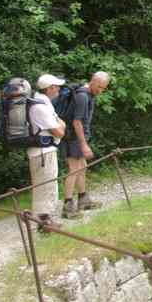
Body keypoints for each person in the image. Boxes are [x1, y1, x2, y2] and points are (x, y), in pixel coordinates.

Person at [62, 71, 110, 219]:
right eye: (99, 87)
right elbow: (77, 122)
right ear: (93, 81)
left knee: (82, 167)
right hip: (73, 138)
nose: (100, 91)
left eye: (104, 88)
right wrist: (83, 144)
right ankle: (67, 206)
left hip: (78, 137)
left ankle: (83, 199)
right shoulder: (83, 96)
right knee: (74, 169)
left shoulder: (88, 94)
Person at [29, 75, 67, 229]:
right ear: (50, 88)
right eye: (56, 86)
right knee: (46, 186)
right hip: (43, 153)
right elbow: (59, 131)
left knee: (44, 186)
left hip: (42, 151)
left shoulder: (42, 104)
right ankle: (44, 223)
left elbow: (60, 125)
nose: (58, 89)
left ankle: (44, 221)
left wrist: (60, 125)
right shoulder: (40, 107)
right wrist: (60, 126)